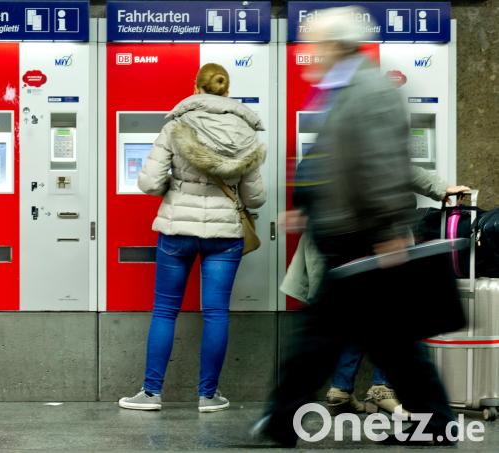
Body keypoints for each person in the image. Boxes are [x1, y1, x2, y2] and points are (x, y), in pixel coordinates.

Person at [251, 7, 457, 446]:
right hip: (346, 235)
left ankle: (281, 419)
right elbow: (328, 160)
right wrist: (306, 204)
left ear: (336, 45)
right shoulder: (342, 90)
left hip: (362, 238)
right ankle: (435, 423)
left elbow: (384, 164)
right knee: (389, 340)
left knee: (326, 338)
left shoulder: (369, 91)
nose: (312, 52)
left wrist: (387, 229)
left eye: (317, 44)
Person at [118, 63, 266, 413]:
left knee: (165, 310)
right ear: (227, 92)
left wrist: (179, 188)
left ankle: (151, 394)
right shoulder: (246, 131)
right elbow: (256, 197)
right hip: (224, 235)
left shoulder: (176, 124)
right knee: (216, 313)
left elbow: (150, 182)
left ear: (196, 88)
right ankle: (208, 395)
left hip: (177, 230)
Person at [282, 168, 470, 417]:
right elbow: (398, 164)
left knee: (354, 319)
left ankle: (338, 391)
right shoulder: (367, 137)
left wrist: (303, 207)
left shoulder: (333, 140)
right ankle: (383, 391)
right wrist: (439, 188)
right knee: (392, 320)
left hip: (339, 242)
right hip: (375, 238)